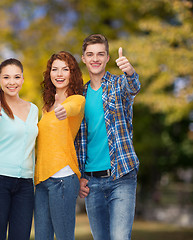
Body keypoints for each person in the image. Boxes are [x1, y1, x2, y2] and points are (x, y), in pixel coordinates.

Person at [75, 34, 141, 240]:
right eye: (90, 54)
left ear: (107, 57)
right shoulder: (78, 96)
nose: (95, 59)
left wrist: (129, 71)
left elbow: (133, 87)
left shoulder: (118, 85)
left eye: (100, 54)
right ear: (84, 58)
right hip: (91, 182)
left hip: (121, 177)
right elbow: (76, 141)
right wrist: (79, 177)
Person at [0, 58, 38, 240]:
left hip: (25, 184)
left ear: (22, 79)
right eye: (6, 77)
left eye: (16, 77)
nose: (11, 82)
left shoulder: (34, 109)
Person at [34, 51, 85, 240]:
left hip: (63, 179)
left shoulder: (76, 100)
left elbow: (73, 108)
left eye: (65, 69)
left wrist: (64, 109)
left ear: (72, 73)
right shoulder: (45, 108)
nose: (59, 74)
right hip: (42, 181)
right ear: (50, 74)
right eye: (55, 69)